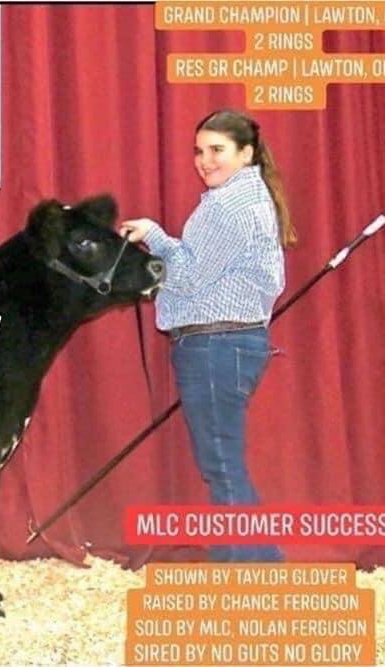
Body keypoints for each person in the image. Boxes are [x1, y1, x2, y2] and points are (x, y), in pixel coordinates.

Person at [120, 109, 297, 562]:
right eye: (199, 151)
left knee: (222, 465)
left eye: (217, 150)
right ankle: (254, 564)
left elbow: (187, 276)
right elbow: (201, 267)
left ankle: (247, 574)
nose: (205, 160)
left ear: (246, 153)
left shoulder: (226, 207)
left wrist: (155, 236)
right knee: (223, 463)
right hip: (230, 344)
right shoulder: (247, 198)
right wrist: (160, 244)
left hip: (216, 346)